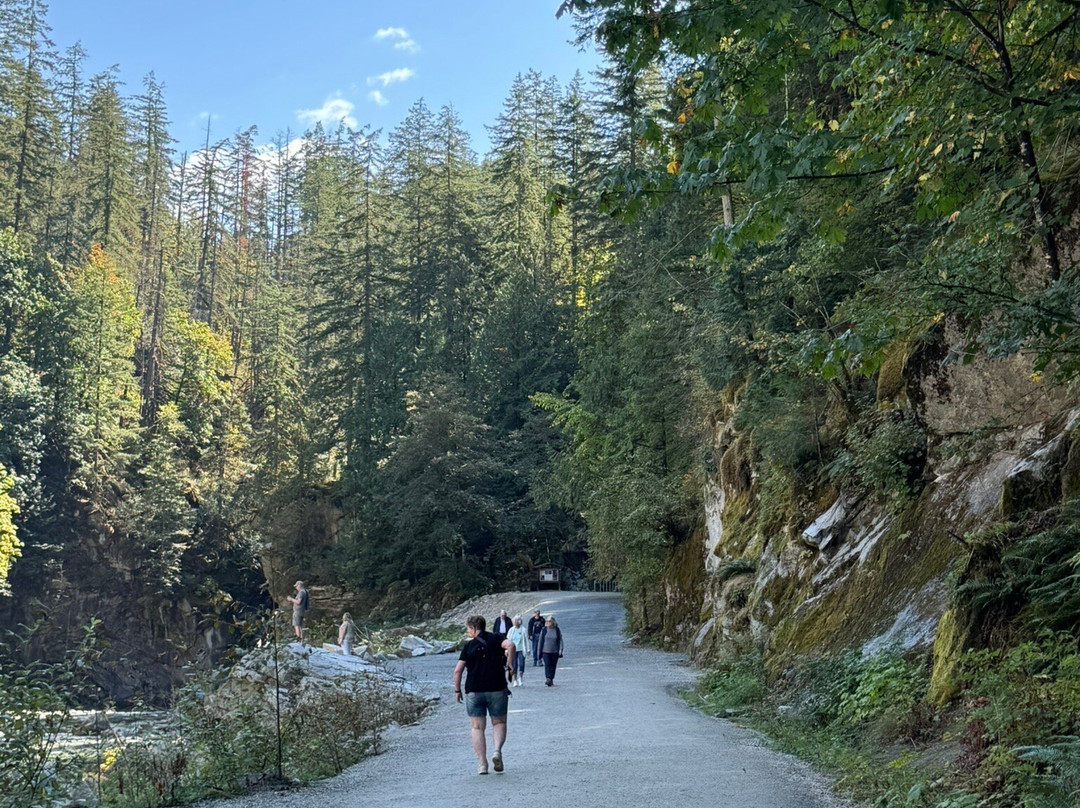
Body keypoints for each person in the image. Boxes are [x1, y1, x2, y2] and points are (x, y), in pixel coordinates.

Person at [453, 615, 515, 775]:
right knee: (499, 722)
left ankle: (482, 764)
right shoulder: (496, 638)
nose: (468, 631)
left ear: (473, 628)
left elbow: (458, 671)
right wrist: (510, 664)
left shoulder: (469, 646)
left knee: (477, 727)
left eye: (468, 628)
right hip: (497, 688)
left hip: (474, 690)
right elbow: (510, 645)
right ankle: (497, 751)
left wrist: (457, 690)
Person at [537, 616, 563, 687]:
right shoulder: (544, 630)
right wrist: (539, 652)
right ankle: (548, 678)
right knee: (547, 664)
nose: (547, 622)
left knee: (553, 665)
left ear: (553, 622)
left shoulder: (557, 630)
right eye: (546, 621)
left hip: (554, 651)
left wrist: (560, 650)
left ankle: (551, 678)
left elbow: (560, 640)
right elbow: (540, 641)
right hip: (545, 651)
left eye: (549, 621)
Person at [506, 616, 527, 687]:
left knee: (521, 664)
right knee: (514, 664)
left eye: (518, 620)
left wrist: (528, 649)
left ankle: (520, 678)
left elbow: (526, 640)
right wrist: (507, 650)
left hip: (521, 649)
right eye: (516, 620)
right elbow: (508, 640)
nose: (518, 622)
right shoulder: (511, 630)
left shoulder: (523, 630)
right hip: (513, 649)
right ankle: (514, 679)